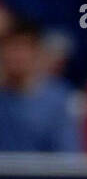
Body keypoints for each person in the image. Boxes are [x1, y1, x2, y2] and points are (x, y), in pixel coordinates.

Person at [0, 19, 81, 152]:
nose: (16, 56)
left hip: (45, 172)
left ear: (37, 52)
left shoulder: (58, 101)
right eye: (10, 48)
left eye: (22, 48)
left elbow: (68, 157)